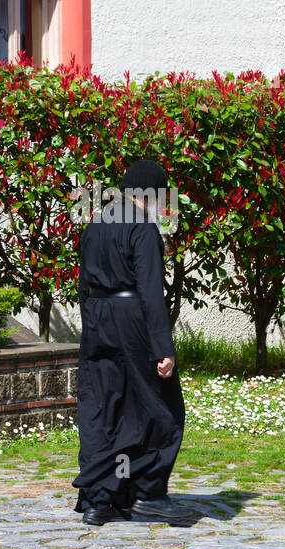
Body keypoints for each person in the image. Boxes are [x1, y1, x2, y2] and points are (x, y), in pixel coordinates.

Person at [72, 160, 198, 526]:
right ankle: (148, 493)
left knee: (104, 406)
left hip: (97, 318)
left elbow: (83, 283)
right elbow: (150, 291)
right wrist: (163, 348)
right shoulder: (143, 227)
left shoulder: (97, 221)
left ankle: (100, 500)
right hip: (132, 319)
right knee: (162, 407)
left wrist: (92, 323)